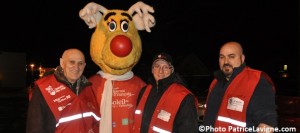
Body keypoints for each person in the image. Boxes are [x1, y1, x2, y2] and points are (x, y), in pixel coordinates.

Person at [203, 41, 277, 132]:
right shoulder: (215, 83)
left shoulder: (256, 80)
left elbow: (267, 124)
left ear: (242, 58)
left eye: (231, 56)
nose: (226, 61)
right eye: (222, 57)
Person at [26, 48, 99, 133]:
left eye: (80, 63)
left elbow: (96, 122)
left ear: (84, 65)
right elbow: (35, 128)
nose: (76, 67)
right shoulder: (43, 89)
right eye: (72, 62)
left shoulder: (88, 88)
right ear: (62, 63)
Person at [133, 52, 199, 133]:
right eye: (157, 66)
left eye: (165, 67)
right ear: (152, 70)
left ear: (172, 70)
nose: (160, 71)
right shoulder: (144, 92)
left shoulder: (184, 97)